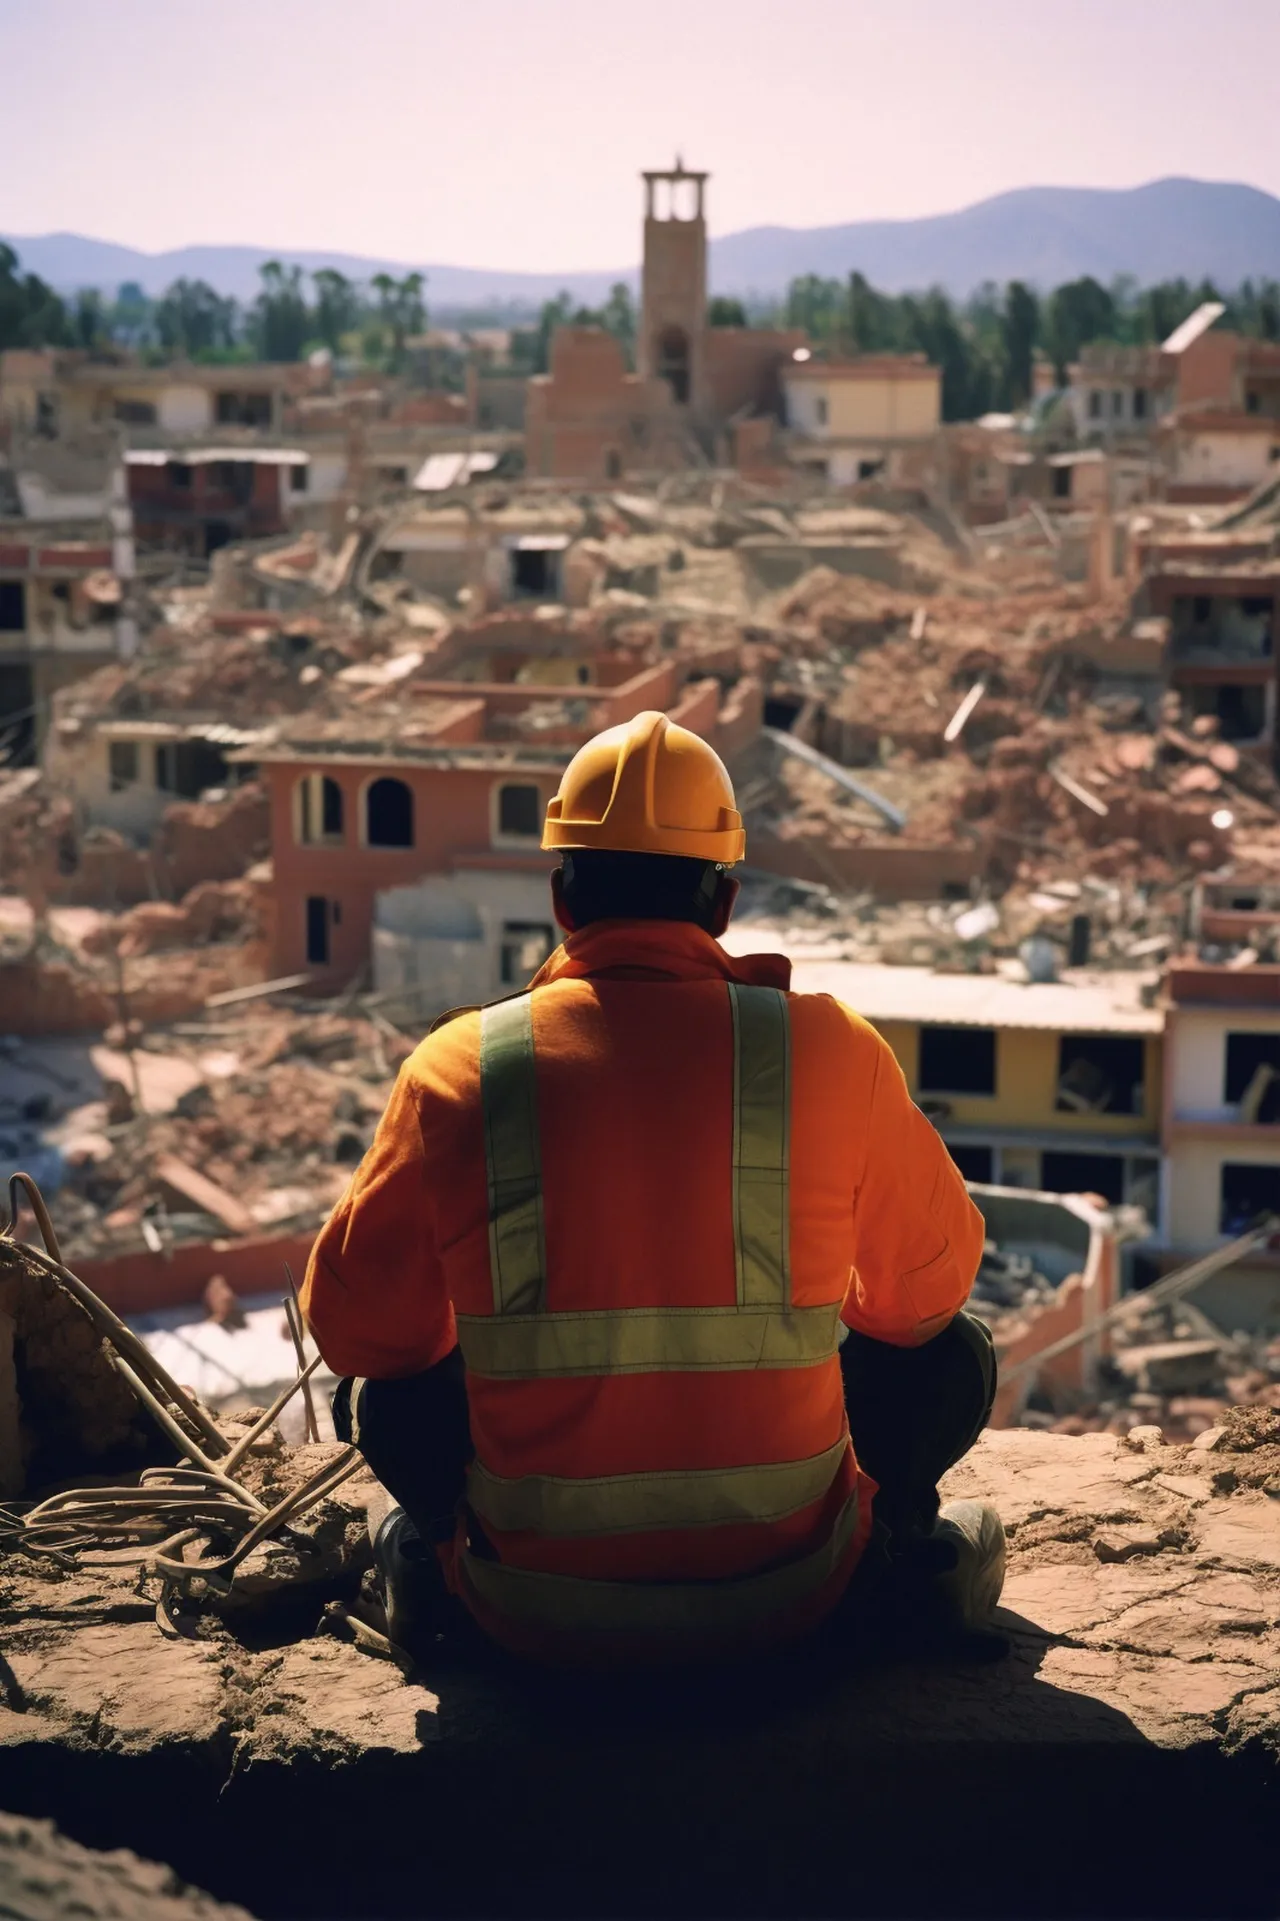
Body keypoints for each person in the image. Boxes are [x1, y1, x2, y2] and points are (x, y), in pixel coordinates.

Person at [302, 710, 1003, 1665]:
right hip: (791, 1609)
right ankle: (899, 1557)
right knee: (951, 1355)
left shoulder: (459, 1071)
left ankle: (433, 1561)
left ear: (562, 897)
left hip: (533, 1619)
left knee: (388, 1392)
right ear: (723, 900)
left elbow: (356, 1334)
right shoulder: (831, 1051)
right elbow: (931, 1295)